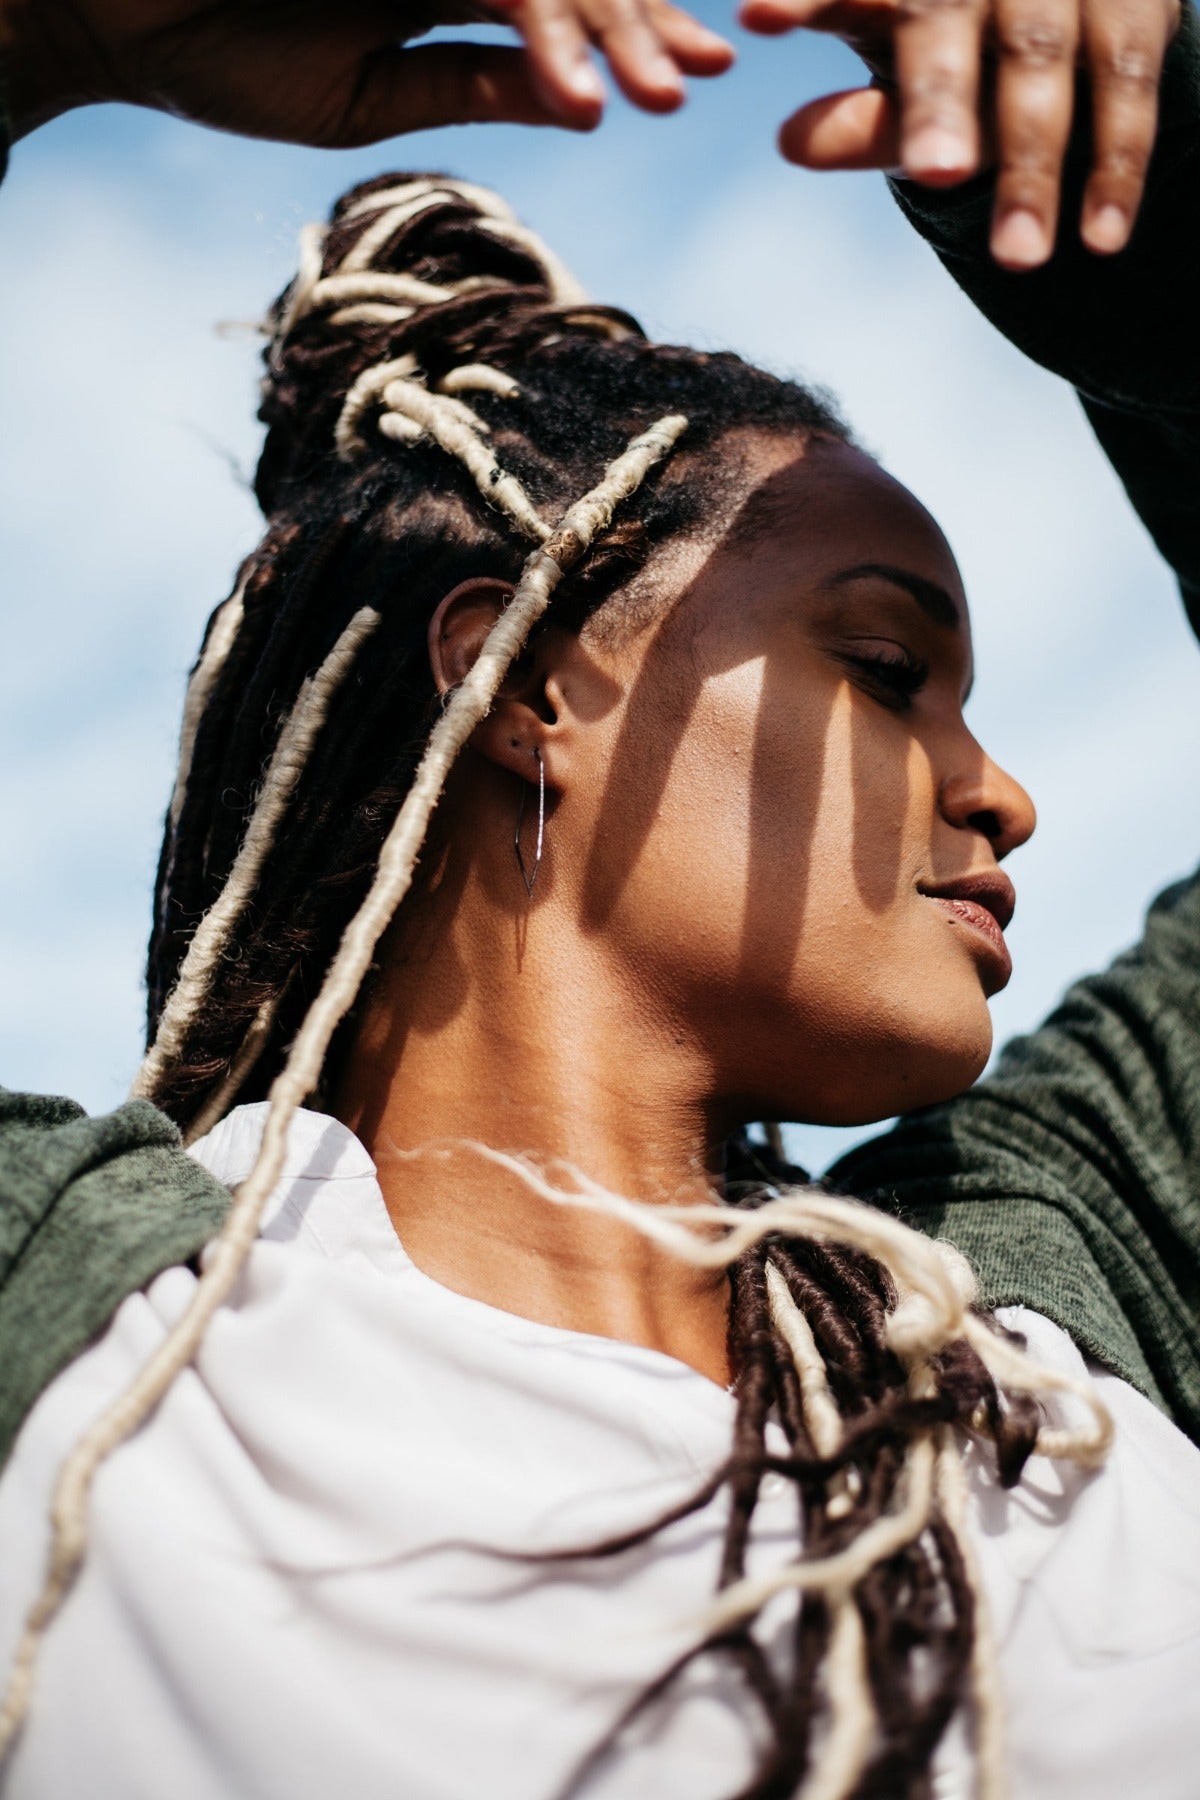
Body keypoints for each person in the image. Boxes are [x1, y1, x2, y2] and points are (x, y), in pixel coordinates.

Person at [1, 1, 1198, 1797]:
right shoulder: (72, 1318)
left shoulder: (1039, 1312)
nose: (1001, 785)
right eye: (886, 666)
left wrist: (1163, 272)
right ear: (527, 688)